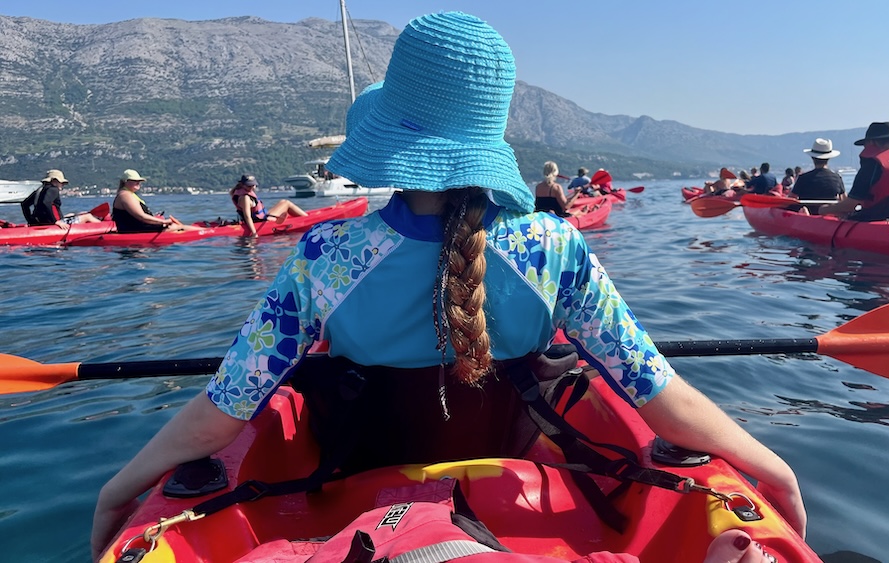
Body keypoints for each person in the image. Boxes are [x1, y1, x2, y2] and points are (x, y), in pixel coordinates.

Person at [92, 12, 805, 562]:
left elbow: (224, 411)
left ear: (393, 136)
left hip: (362, 488)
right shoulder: (553, 247)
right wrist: (774, 470)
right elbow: (660, 396)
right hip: (521, 487)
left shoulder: (327, 253)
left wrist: (117, 487)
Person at [111, 169, 199, 233]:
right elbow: (141, 217)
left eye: (139, 181)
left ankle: (204, 230)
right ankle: (207, 232)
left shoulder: (127, 194)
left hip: (135, 227)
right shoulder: (126, 195)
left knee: (176, 226)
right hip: (133, 229)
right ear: (126, 182)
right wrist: (164, 222)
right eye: (135, 181)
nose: (138, 183)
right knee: (177, 227)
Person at [20, 169, 102, 228]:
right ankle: (106, 227)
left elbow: (24, 204)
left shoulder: (40, 190)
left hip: (40, 222)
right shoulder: (53, 189)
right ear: (54, 181)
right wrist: (55, 222)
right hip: (52, 223)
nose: (62, 185)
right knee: (87, 216)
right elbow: (46, 203)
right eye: (61, 183)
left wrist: (31, 221)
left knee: (73, 214)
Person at [230, 174, 307, 236]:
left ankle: (305, 218)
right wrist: (254, 233)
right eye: (248, 186)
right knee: (286, 203)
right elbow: (247, 217)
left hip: (262, 217)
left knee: (284, 202)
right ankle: (307, 219)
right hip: (260, 221)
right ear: (243, 185)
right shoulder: (245, 198)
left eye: (253, 185)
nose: (251, 187)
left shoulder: (243, 193)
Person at [791, 139, 846, 206]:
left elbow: (791, 200)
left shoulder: (803, 178)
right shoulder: (837, 178)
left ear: (812, 158)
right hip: (830, 214)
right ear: (829, 158)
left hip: (808, 214)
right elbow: (844, 200)